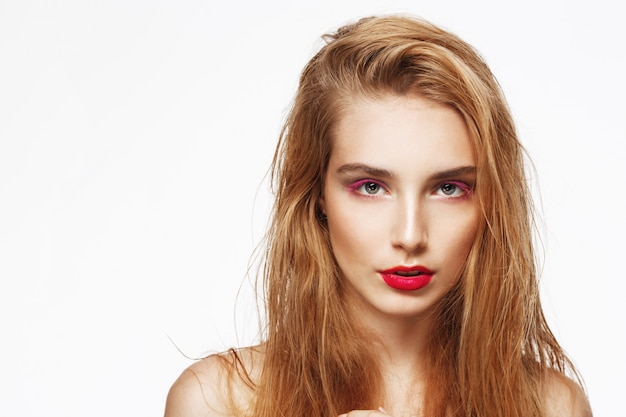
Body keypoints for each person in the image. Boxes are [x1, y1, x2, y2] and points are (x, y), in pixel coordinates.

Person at [164, 15, 592, 417]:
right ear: (316, 194)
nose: (410, 235)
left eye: (449, 188)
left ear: (491, 202)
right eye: (371, 187)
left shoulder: (551, 405)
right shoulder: (220, 400)